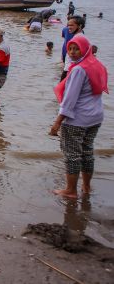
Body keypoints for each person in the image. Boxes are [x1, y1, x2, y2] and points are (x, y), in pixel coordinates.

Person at [50, 35, 108, 199]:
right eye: (70, 49)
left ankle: (71, 190)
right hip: (95, 117)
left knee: (72, 155)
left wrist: (57, 123)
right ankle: (86, 187)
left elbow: (69, 100)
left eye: (77, 49)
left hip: (78, 119)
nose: (73, 52)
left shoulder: (78, 70)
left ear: (85, 49)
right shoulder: (97, 65)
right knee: (87, 151)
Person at [61, 16, 85, 80]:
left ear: (79, 26)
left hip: (69, 69)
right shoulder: (81, 36)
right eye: (68, 25)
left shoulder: (77, 39)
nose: (69, 27)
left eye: (71, 25)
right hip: (71, 68)